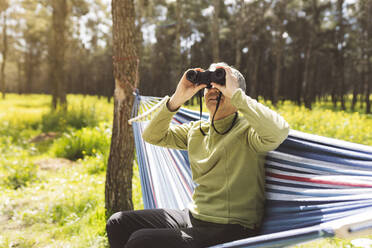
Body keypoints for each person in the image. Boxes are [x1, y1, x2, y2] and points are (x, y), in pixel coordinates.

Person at [106, 62, 290, 248]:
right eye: (208, 86)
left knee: (141, 242)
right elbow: (151, 135)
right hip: (193, 216)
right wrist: (177, 98)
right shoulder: (197, 130)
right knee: (118, 222)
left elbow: (279, 131)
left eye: (221, 84)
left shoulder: (248, 131)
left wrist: (236, 96)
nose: (213, 90)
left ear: (235, 92)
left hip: (231, 226)